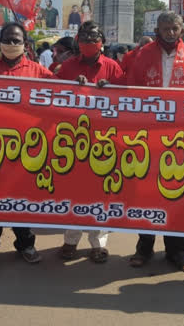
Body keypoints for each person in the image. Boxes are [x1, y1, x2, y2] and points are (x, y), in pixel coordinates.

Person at [0, 22, 53, 264]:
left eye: (16, 40)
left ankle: (25, 243)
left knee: (20, 197)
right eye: (7, 39)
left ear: (25, 44)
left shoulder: (37, 71)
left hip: (25, 148)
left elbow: (63, 95)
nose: (12, 44)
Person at [126, 11, 184, 272]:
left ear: (182, 30)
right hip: (149, 135)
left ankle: (177, 252)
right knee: (147, 193)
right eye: (165, 28)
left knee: (178, 193)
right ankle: (144, 248)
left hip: (182, 136)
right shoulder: (144, 54)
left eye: (175, 28)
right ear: (158, 30)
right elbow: (132, 91)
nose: (170, 32)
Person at [54, 21, 123, 263]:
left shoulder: (113, 68)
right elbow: (52, 96)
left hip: (104, 140)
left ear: (101, 43)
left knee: (101, 194)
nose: (89, 43)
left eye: (93, 39)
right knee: (74, 192)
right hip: (72, 139)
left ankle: (98, 243)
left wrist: (111, 89)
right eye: (84, 39)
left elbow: (127, 101)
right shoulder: (68, 67)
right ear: (77, 43)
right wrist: (72, 87)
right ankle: (70, 241)